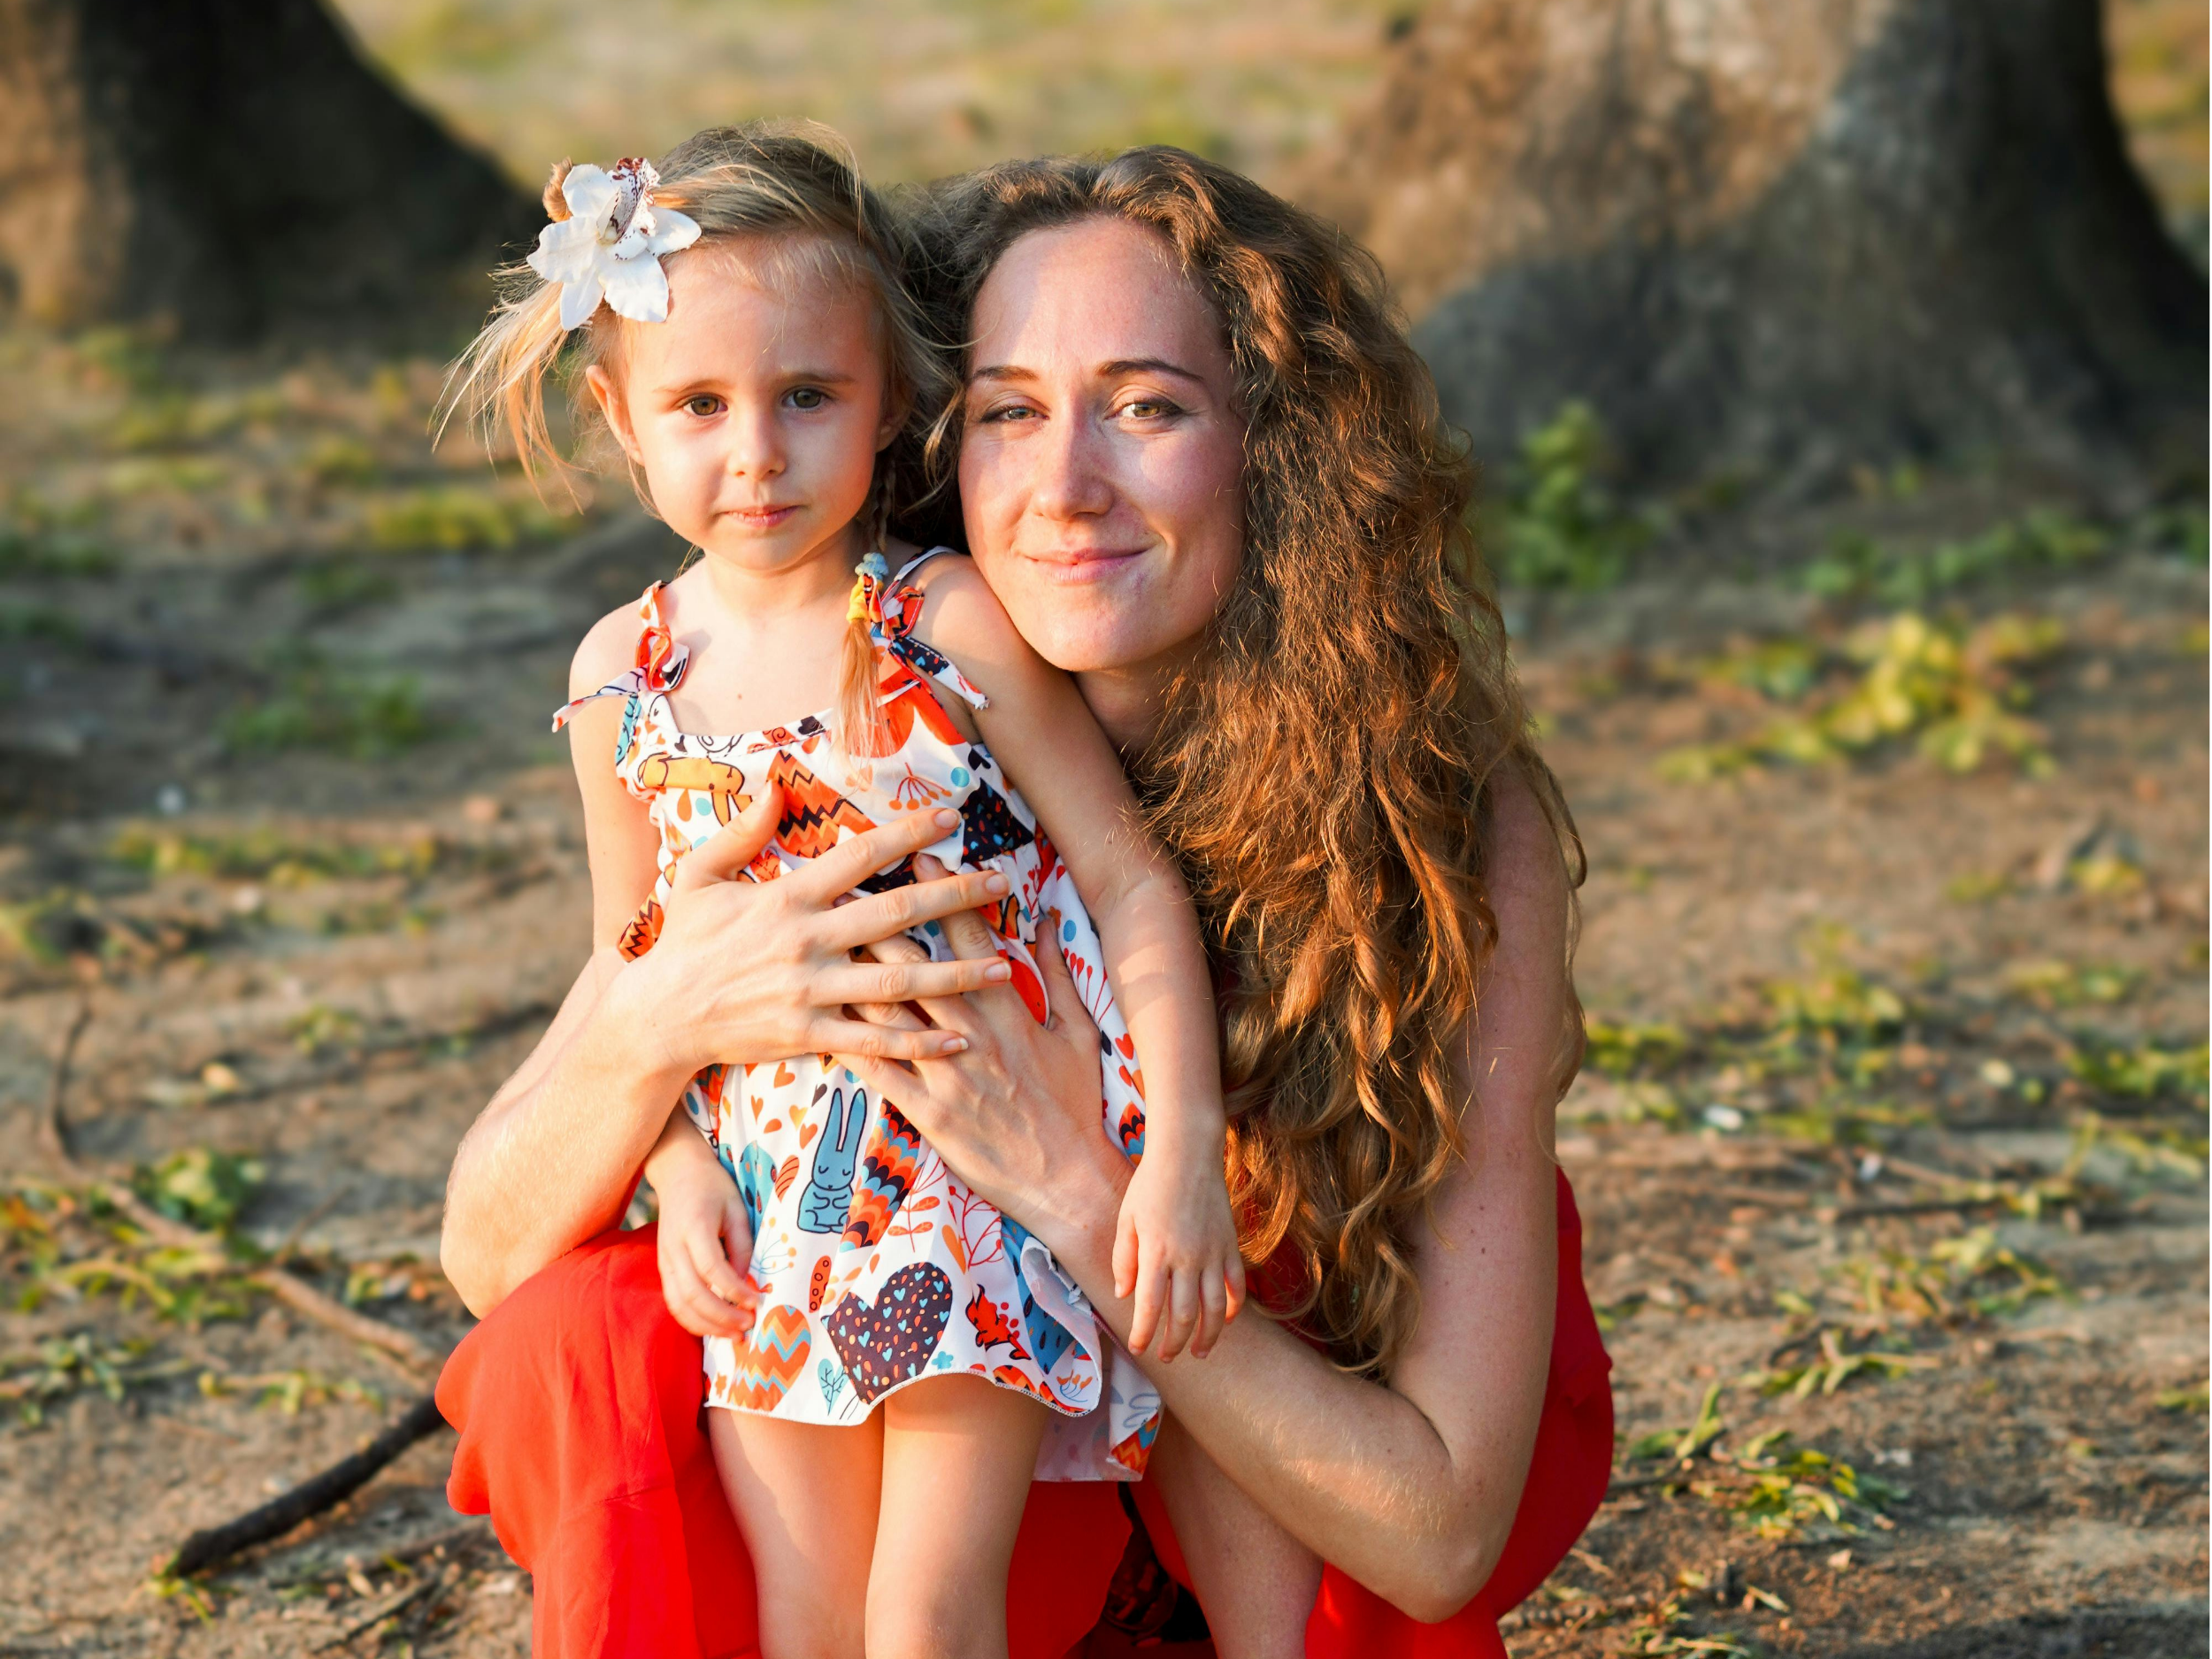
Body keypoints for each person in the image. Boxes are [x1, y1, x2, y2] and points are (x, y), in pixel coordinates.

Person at [436, 142, 1613, 1659]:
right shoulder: (819, 715)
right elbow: (486, 1246)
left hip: (1284, 1449)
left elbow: (1438, 1530)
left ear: (1275, 447)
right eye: (1011, 412)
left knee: (1254, 1222)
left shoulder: (1424, 809)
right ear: (938, 424)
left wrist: (1076, 1182)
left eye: (1149, 407)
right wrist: (670, 1012)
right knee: (574, 1340)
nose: (1066, 487)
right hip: (901, 1367)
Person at [446, 127, 1245, 1659]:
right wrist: (678, 1171)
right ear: (620, 419)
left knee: (931, 1616)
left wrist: (1183, 1145)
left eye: (806, 397)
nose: (756, 453)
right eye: (698, 405)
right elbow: (632, 959)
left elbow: (1131, 878)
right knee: (805, 1617)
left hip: (975, 1175)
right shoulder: (628, 677)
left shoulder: (941, 619)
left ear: (887, 401)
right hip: (764, 1208)